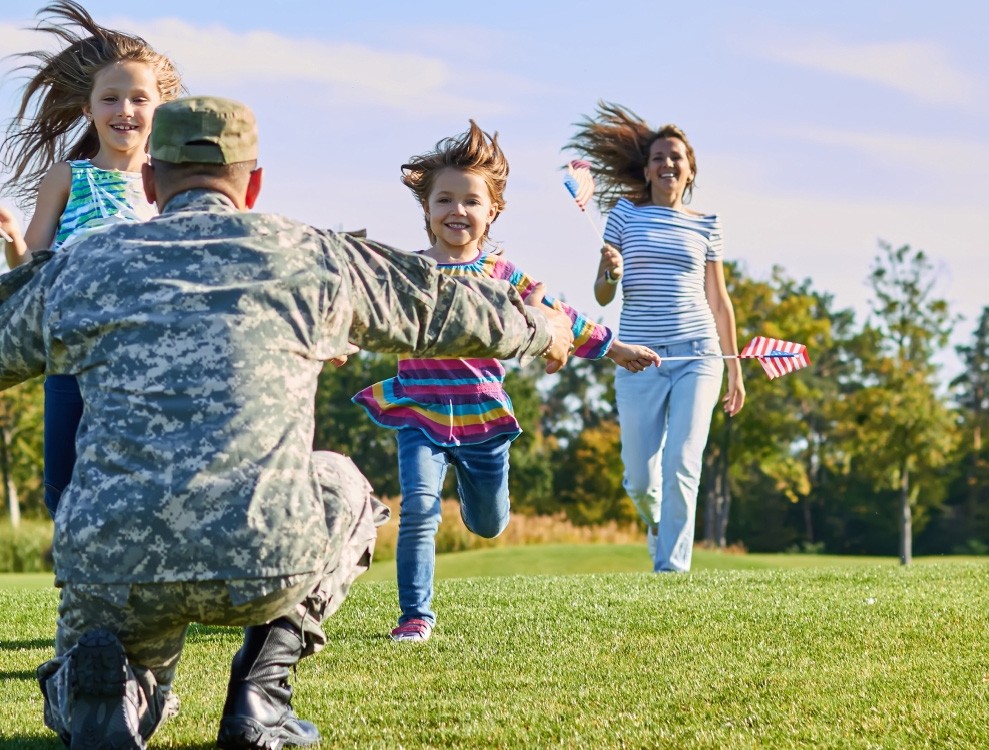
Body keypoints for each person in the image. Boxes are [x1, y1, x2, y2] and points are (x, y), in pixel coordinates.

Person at [0, 95, 576, 750]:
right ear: (254, 184)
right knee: (344, 485)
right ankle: (260, 692)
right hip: (263, 555)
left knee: (123, 661)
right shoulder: (313, 257)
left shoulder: (86, 265)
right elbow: (438, 307)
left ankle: (110, 689)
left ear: (152, 182)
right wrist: (544, 329)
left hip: (119, 562)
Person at [352, 121, 660, 643]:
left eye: (471, 201)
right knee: (419, 510)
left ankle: (480, 504)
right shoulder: (406, 272)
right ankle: (415, 616)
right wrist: (341, 340)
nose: (457, 211)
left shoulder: (505, 275)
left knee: (490, 523)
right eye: (444, 200)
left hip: (482, 416)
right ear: (426, 208)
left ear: (492, 209)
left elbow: (564, 319)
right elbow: (364, 310)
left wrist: (615, 347)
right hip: (419, 411)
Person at [0, 0, 184, 517]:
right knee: (64, 483)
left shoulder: (172, 182)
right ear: (88, 108)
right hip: (73, 356)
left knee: (146, 481)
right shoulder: (68, 177)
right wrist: (12, 235)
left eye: (138, 99)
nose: (124, 110)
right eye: (110, 98)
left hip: (149, 356)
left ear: (159, 109)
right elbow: (32, 272)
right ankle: (74, 592)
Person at [567, 101, 745, 572]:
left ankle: (672, 569)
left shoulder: (708, 224)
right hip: (637, 357)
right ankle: (654, 524)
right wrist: (609, 271)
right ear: (646, 170)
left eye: (677, 158)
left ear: (690, 171)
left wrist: (735, 368)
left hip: (699, 354)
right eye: (660, 157)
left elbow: (719, 299)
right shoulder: (624, 217)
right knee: (640, 481)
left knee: (683, 464)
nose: (668, 163)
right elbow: (603, 296)